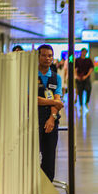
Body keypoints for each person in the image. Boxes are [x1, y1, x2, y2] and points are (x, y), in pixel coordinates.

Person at [37, 44, 64, 182]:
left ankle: (47, 185)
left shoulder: (56, 77)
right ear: (38, 56)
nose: (47, 58)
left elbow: (58, 100)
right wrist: (53, 102)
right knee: (32, 155)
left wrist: (52, 119)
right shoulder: (30, 76)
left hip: (51, 121)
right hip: (33, 120)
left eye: (50, 56)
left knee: (49, 157)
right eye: (44, 55)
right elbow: (32, 100)